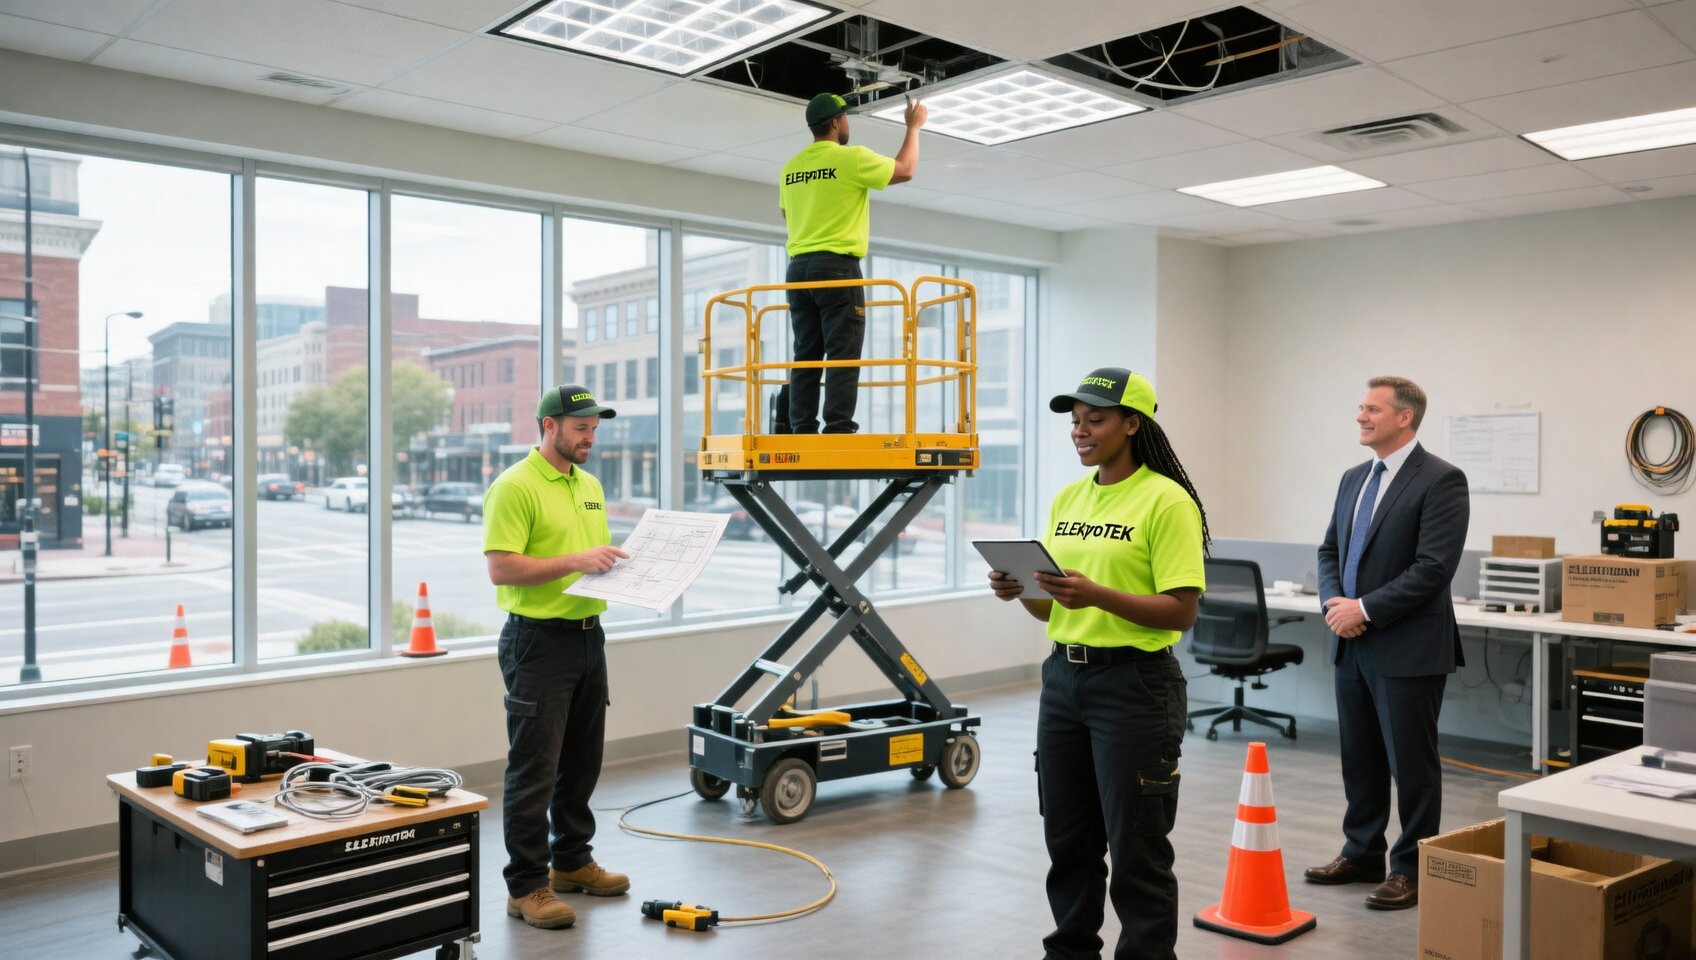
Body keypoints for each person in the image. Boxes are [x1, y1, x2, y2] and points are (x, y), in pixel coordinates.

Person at [988, 367, 1209, 960]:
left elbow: (1182, 611)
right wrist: (1021, 591)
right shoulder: (1070, 498)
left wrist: (1098, 596)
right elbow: (1053, 609)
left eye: (1096, 420)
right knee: (1069, 841)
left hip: (1134, 686)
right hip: (1064, 679)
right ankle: (1069, 952)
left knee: (1137, 847)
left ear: (1132, 425)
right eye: (1075, 421)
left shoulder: (1167, 501)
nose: (1080, 431)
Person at [1305, 376, 1469, 910]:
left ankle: (1412, 869)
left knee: (1412, 767)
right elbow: (1330, 551)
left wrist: (1364, 608)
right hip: (1351, 643)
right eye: (1361, 407)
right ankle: (1361, 852)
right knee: (1360, 758)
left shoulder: (1441, 479)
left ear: (1405, 417)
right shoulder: (1354, 477)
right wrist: (1335, 606)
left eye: (1372, 409)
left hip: (1408, 647)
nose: (1360, 416)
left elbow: (1433, 568)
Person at [484, 384, 632, 930]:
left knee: (581, 760)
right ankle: (526, 886)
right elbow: (502, 567)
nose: (591, 437)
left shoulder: (589, 485)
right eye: (581, 428)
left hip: (589, 636)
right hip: (537, 642)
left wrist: (626, 568)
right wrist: (577, 560)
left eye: (594, 429)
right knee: (535, 767)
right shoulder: (514, 486)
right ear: (549, 426)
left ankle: (570, 861)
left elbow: (592, 561)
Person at [779, 90, 926, 434]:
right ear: (835, 122)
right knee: (842, 351)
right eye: (845, 118)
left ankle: (802, 427)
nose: (847, 124)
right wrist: (914, 127)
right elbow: (905, 170)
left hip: (798, 270)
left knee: (806, 353)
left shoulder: (790, 169)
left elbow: (787, 214)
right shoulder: (851, 158)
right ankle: (838, 427)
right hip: (837, 269)